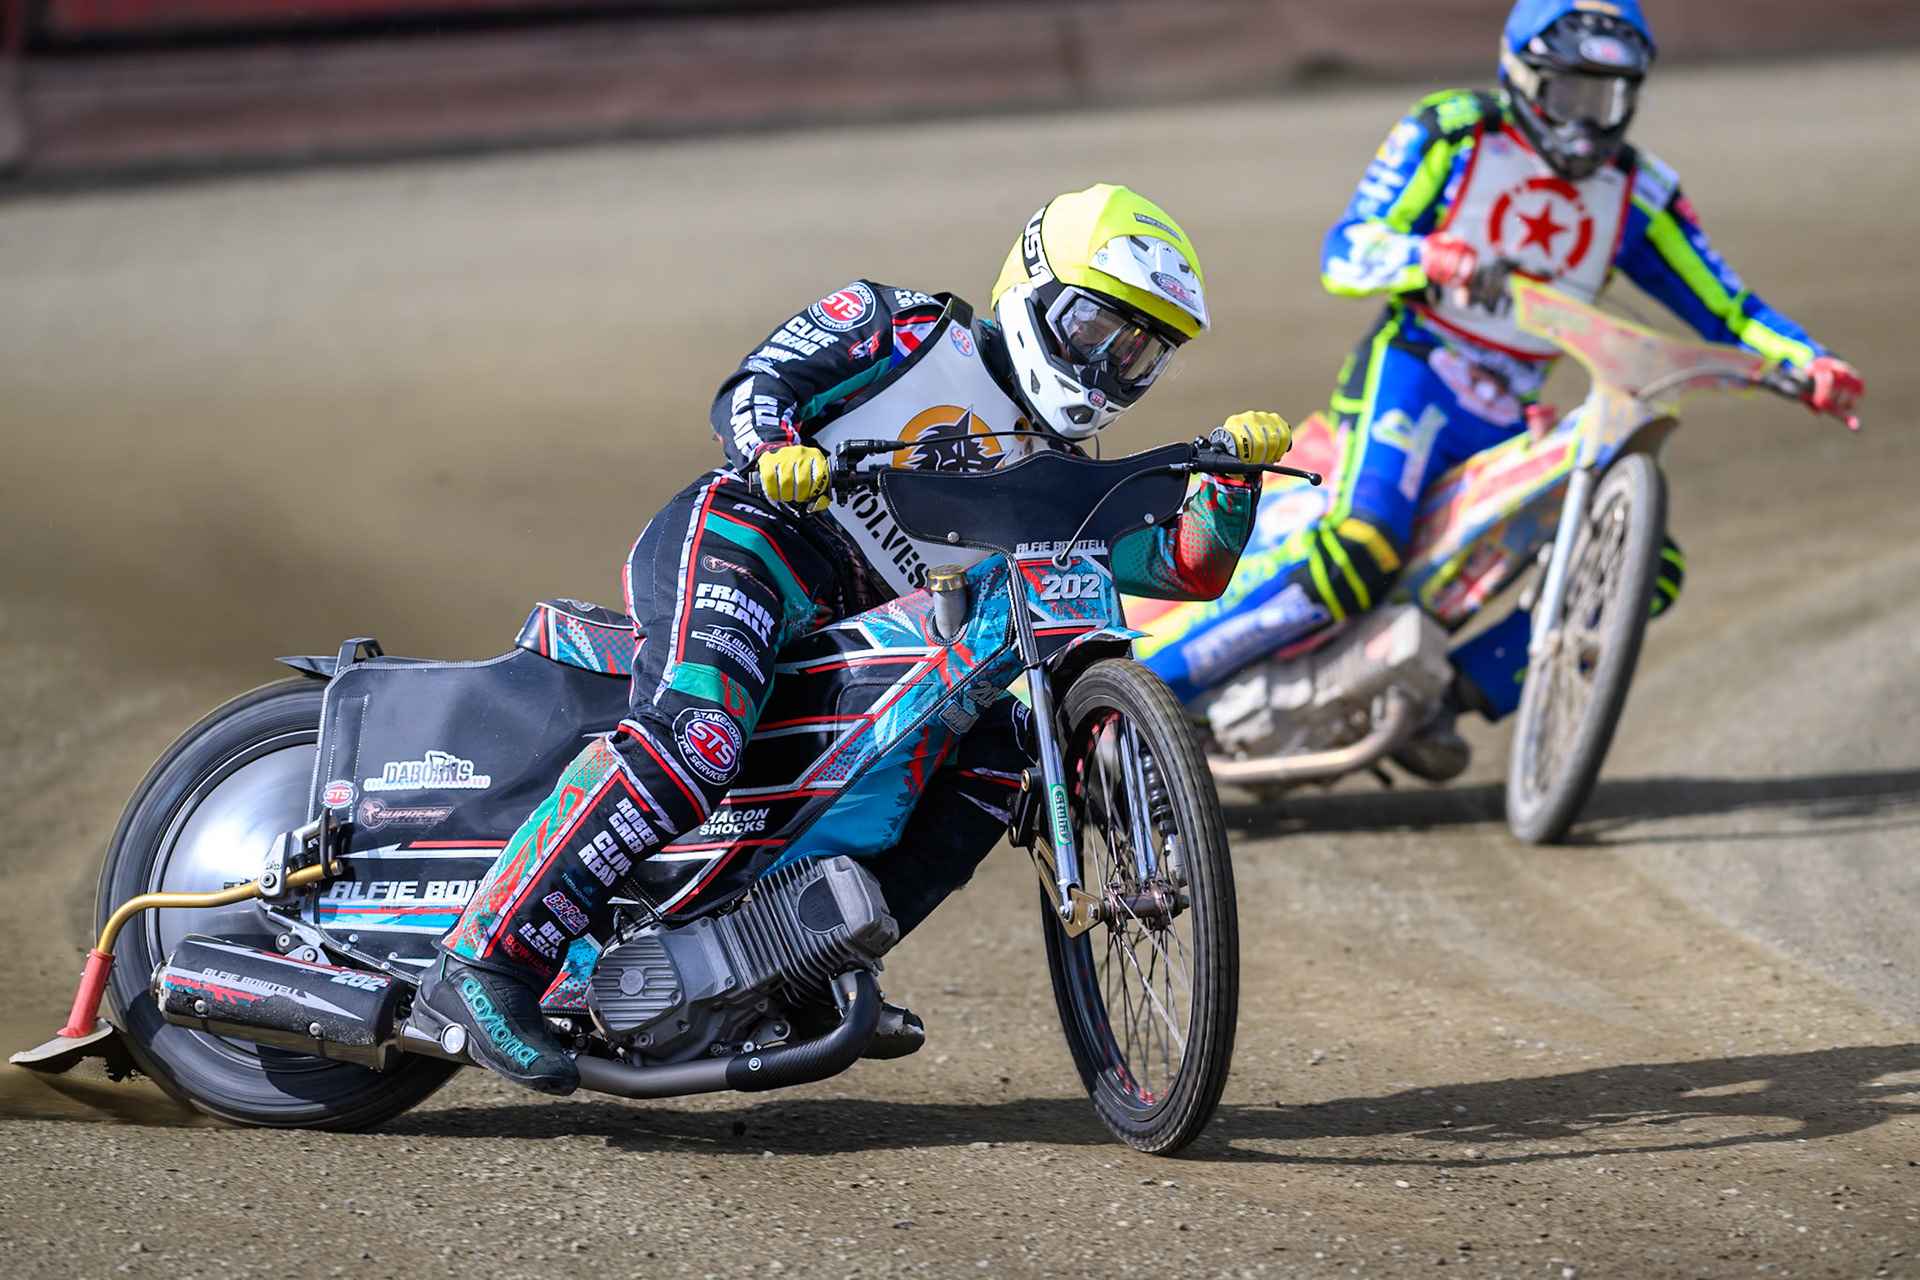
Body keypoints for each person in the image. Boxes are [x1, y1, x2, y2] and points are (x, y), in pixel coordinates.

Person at [413, 184, 1294, 1093]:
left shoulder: (1059, 480)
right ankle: (488, 960)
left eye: (1142, 354)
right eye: (1096, 331)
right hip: (755, 539)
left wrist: (1231, 482)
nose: (1111, 367)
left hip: (862, 630)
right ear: (1031, 289)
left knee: (996, 757)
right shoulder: (906, 325)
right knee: (700, 735)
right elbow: (755, 387)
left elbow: (1181, 570)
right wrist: (773, 450)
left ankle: (801, 965)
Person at [1140, 0, 1864, 778]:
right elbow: (1347, 252)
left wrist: (1810, 362)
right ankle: (1154, 697)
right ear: (1523, 76)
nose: (1588, 118)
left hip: (1519, 410)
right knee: (1363, 546)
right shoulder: (1451, 131)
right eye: (1570, 92)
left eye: (1609, 96)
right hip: (1415, 374)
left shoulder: (1641, 190)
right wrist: (1433, 259)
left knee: (1649, 568)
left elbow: (1728, 307)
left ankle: (1444, 700)